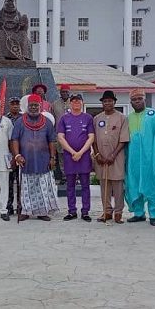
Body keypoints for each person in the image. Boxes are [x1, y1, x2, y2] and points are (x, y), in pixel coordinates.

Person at [125, 89, 155, 226]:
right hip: (133, 159)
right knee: (134, 183)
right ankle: (138, 213)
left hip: (151, 158)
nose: (137, 101)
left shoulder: (154, 115)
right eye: (134, 99)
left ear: (145, 99)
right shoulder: (128, 118)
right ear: (131, 102)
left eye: (140, 98)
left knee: (151, 184)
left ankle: (153, 214)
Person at [12, 94, 59, 221]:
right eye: (31, 105)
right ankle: (25, 211)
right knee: (26, 188)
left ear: (40, 106)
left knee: (42, 188)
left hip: (43, 161)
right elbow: (14, 139)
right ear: (27, 106)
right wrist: (17, 155)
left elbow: (52, 141)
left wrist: (52, 158)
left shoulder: (48, 122)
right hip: (26, 161)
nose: (33, 108)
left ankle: (42, 212)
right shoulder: (20, 122)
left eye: (36, 105)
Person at [92, 90, 129, 224]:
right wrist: (97, 155)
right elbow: (93, 139)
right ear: (102, 103)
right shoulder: (97, 118)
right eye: (105, 101)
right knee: (104, 185)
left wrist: (113, 155)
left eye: (110, 101)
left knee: (118, 186)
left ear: (114, 102)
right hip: (101, 158)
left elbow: (124, 139)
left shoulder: (122, 118)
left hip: (116, 157)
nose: (107, 103)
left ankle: (118, 212)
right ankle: (106, 211)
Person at [57, 93, 95, 222]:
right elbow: (60, 137)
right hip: (69, 156)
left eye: (78, 101)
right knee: (70, 185)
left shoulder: (88, 118)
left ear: (82, 103)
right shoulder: (64, 118)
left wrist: (81, 152)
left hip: (84, 156)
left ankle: (85, 211)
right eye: (73, 101)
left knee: (85, 185)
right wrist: (73, 152)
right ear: (70, 103)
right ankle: (71, 211)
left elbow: (91, 137)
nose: (76, 103)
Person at [51, 83, 72, 184]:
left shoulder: (74, 103)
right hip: (59, 134)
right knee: (61, 156)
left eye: (66, 92)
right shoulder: (55, 104)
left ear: (69, 92)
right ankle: (64, 176)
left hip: (72, 135)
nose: (64, 93)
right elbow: (52, 119)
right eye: (62, 92)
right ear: (60, 92)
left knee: (72, 155)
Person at [6, 96, 22, 215]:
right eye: (13, 104)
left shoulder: (24, 118)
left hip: (22, 153)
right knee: (9, 182)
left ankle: (20, 206)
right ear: (9, 105)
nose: (15, 106)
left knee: (21, 182)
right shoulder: (5, 119)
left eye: (17, 104)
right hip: (8, 154)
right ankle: (9, 206)